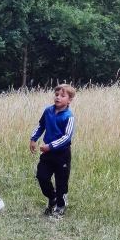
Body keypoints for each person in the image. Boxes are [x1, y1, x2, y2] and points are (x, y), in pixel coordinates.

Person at [30, 84, 76, 219]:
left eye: (62, 96)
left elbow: (66, 137)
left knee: (61, 182)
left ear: (69, 100)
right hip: (48, 154)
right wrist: (33, 139)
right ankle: (52, 197)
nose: (58, 98)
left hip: (62, 154)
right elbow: (41, 125)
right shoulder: (48, 111)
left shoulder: (69, 117)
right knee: (42, 176)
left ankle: (60, 207)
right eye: (56, 95)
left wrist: (50, 146)